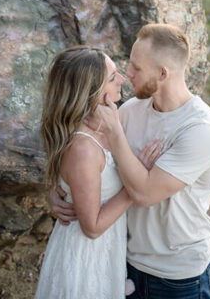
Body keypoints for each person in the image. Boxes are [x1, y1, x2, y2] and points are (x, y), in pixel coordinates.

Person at [51, 24, 210, 299]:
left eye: (136, 68)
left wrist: (118, 136)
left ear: (163, 73)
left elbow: (143, 194)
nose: (127, 74)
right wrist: (60, 190)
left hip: (176, 277)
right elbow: (83, 155)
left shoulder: (201, 130)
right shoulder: (131, 111)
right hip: (125, 263)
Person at [34, 46, 160, 298]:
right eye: (113, 77)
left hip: (105, 254)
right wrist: (138, 182)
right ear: (92, 91)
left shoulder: (106, 124)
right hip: (84, 259)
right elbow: (91, 226)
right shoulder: (83, 148)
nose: (122, 79)